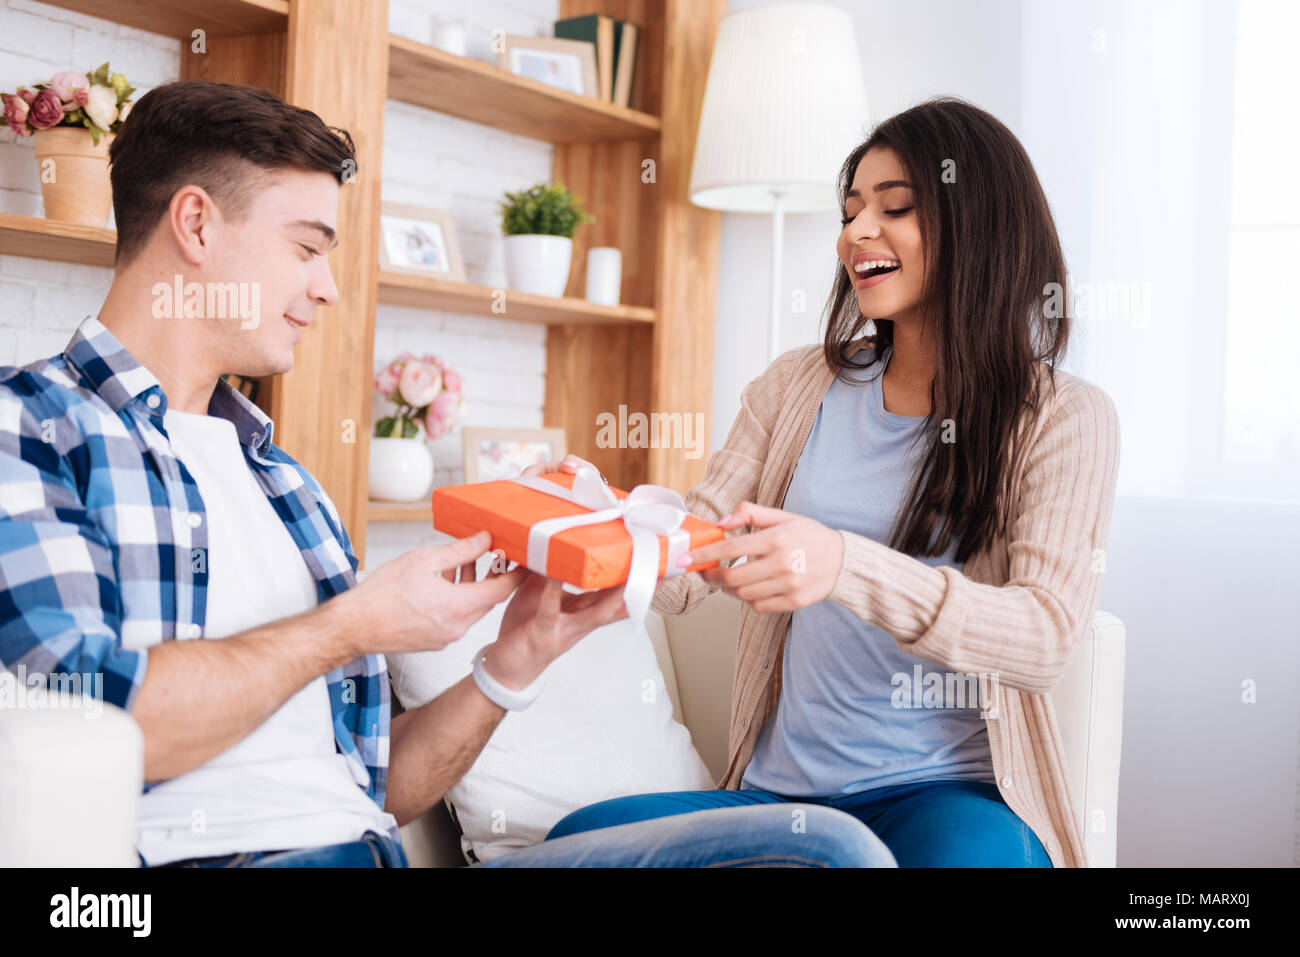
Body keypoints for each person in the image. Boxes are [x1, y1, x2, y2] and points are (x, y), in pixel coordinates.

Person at [0, 79, 896, 869]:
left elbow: (384, 794)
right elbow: (105, 727)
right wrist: (350, 625)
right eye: (308, 248)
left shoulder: (283, 481)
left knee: (825, 847)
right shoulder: (30, 428)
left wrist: (518, 655)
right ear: (196, 224)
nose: (329, 289)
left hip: (369, 850)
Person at [544, 97, 1122, 868]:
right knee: (575, 845)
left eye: (896, 208)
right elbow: (694, 563)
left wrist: (844, 564)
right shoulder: (797, 386)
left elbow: (1043, 634)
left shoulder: (1064, 417)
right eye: (850, 212)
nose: (856, 233)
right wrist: (602, 519)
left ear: (980, 226)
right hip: (782, 799)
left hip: (947, 796)